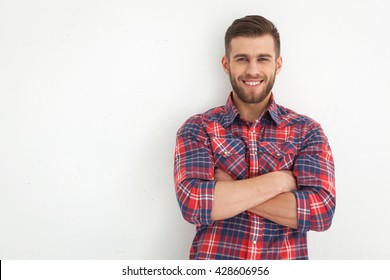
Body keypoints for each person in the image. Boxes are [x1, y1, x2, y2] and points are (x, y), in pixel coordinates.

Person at [173, 15, 336, 260]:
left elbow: (320, 212)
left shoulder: (306, 131)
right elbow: (194, 204)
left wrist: (227, 191)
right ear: (226, 64)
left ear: (277, 64)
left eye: (262, 59)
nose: (252, 70)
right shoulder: (198, 128)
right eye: (242, 59)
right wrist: (279, 181)